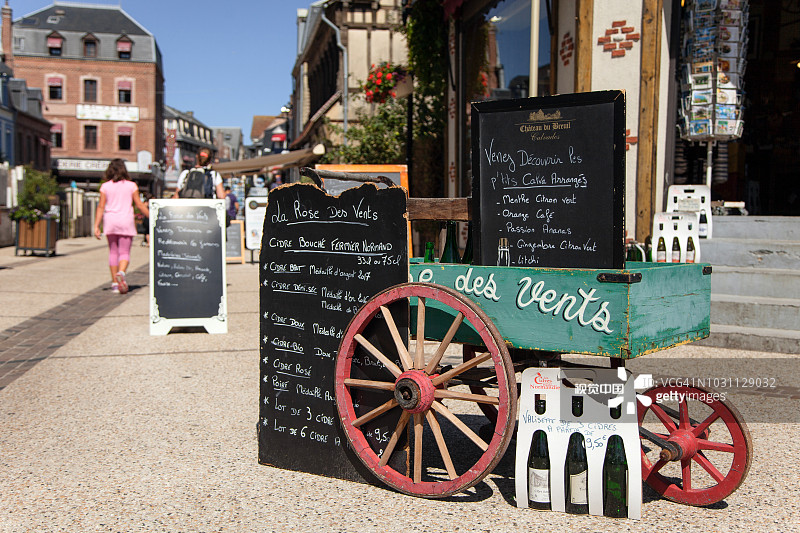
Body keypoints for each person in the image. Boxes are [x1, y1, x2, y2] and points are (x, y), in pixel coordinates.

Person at [93, 159, 150, 294]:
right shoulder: (131, 186)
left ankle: (114, 283)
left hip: (110, 220)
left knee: (113, 251)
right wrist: (153, 217)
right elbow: (139, 205)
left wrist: (96, 226)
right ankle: (121, 272)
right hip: (125, 220)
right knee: (124, 252)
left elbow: (101, 207)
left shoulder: (105, 186)